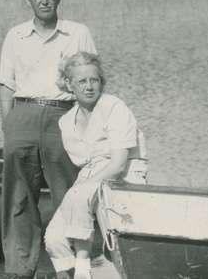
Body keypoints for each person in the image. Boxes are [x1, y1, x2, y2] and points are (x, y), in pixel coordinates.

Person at [0, 0, 98, 278]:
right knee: (19, 196)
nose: (44, 0)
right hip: (23, 115)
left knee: (68, 194)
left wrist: (88, 127)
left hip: (63, 115)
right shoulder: (15, 35)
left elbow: (91, 80)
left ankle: (69, 267)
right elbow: (6, 84)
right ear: (29, 1)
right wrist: (9, 125)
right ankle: (19, 267)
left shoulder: (78, 32)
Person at [44, 53, 147, 279]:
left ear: (101, 81)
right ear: (69, 84)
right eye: (82, 81)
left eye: (94, 80)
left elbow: (118, 164)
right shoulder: (66, 122)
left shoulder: (114, 107)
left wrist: (82, 190)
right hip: (91, 176)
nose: (89, 87)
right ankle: (67, 275)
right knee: (53, 237)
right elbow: (83, 163)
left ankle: (83, 269)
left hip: (125, 175)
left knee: (80, 194)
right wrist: (83, 188)